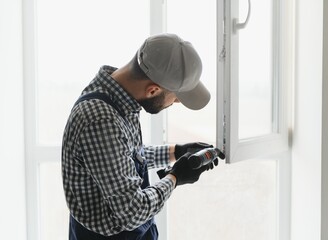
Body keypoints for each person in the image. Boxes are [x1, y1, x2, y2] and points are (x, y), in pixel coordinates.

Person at [62, 33, 220, 240]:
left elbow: (122, 158)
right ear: (153, 90)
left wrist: (177, 151)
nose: (176, 103)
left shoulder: (116, 97)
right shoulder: (100, 119)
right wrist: (175, 177)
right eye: (177, 98)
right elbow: (131, 211)